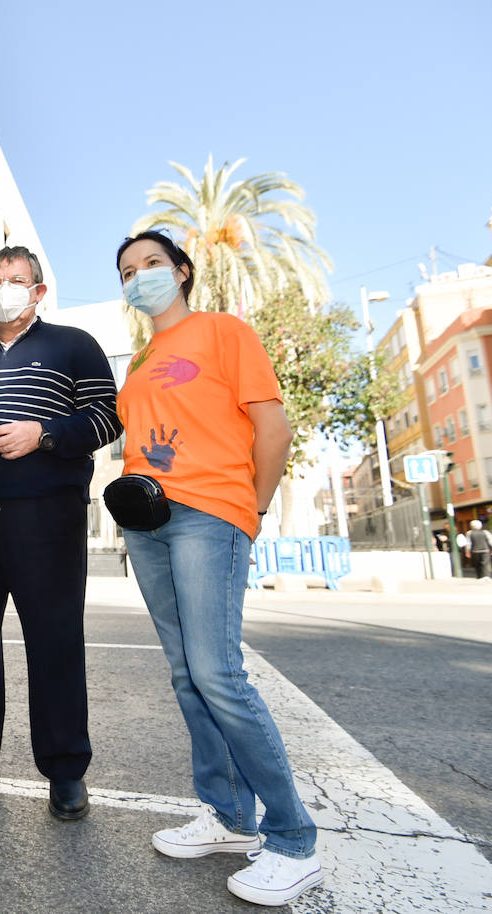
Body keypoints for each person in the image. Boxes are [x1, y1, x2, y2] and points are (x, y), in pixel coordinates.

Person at [114, 231, 321, 906]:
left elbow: (272, 427)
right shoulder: (143, 356)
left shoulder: (224, 332)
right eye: (127, 271)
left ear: (181, 271)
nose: (140, 277)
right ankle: (230, 816)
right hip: (147, 524)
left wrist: (251, 511)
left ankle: (292, 838)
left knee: (217, 673)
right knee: (185, 673)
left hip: (211, 514)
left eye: (151, 264)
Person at [0, 244, 120, 821]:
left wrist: (45, 434)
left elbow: (108, 417)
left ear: (37, 291)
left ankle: (64, 769)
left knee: (54, 640)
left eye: (16, 279)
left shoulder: (74, 344)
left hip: (48, 513)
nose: (4, 287)